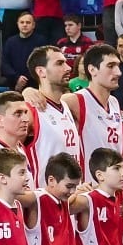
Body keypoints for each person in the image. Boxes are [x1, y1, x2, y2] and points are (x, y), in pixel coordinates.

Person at [24, 46, 82, 188]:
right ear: (41, 71)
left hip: (71, 199)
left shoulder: (66, 106)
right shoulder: (29, 109)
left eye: (66, 62)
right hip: (44, 201)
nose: (68, 68)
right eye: (59, 63)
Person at [1, 12, 46, 92]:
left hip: (35, 85)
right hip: (14, 83)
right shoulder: (10, 42)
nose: (24, 25)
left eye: (28, 22)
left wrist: (23, 81)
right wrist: (17, 78)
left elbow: (42, 63)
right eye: (22, 22)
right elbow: (5, 64)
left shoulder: (41, 41)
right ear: (17, 24)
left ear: (33, 25)